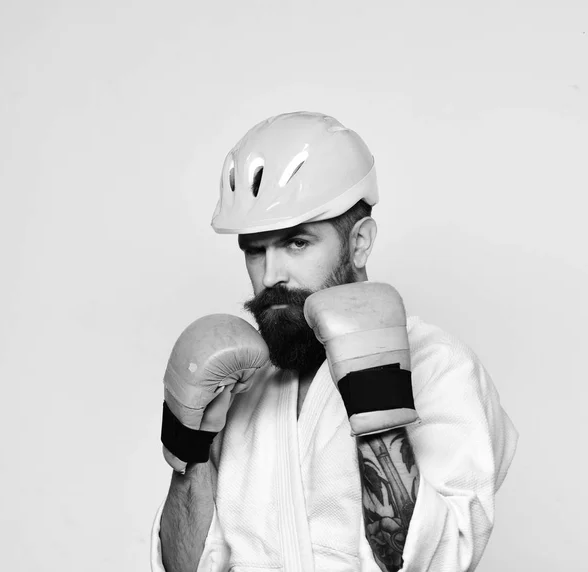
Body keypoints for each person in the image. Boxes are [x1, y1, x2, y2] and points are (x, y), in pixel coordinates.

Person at [151, 112, 518, 572]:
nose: (270, 275)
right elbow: (182, 568)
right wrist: (189, 450)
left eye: (297, 243)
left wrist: (377, 392)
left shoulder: (439, 366)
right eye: (254, 249)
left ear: (359, 242)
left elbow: (440, 559)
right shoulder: (238, 386)